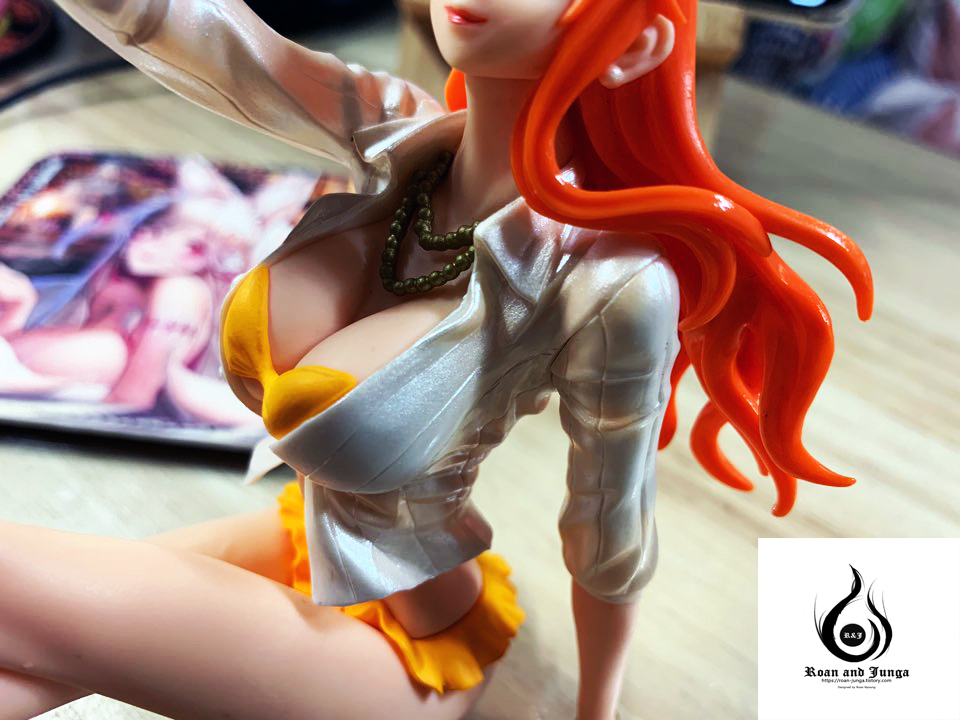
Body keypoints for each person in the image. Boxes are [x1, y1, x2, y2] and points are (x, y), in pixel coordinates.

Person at [0, 1, 873, 719]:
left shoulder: (611, 279)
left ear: (633, 45)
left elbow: (609, 535)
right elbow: (218, 43)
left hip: (411, 655)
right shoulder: (401, 139)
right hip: (311, 536)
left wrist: (597, 712)